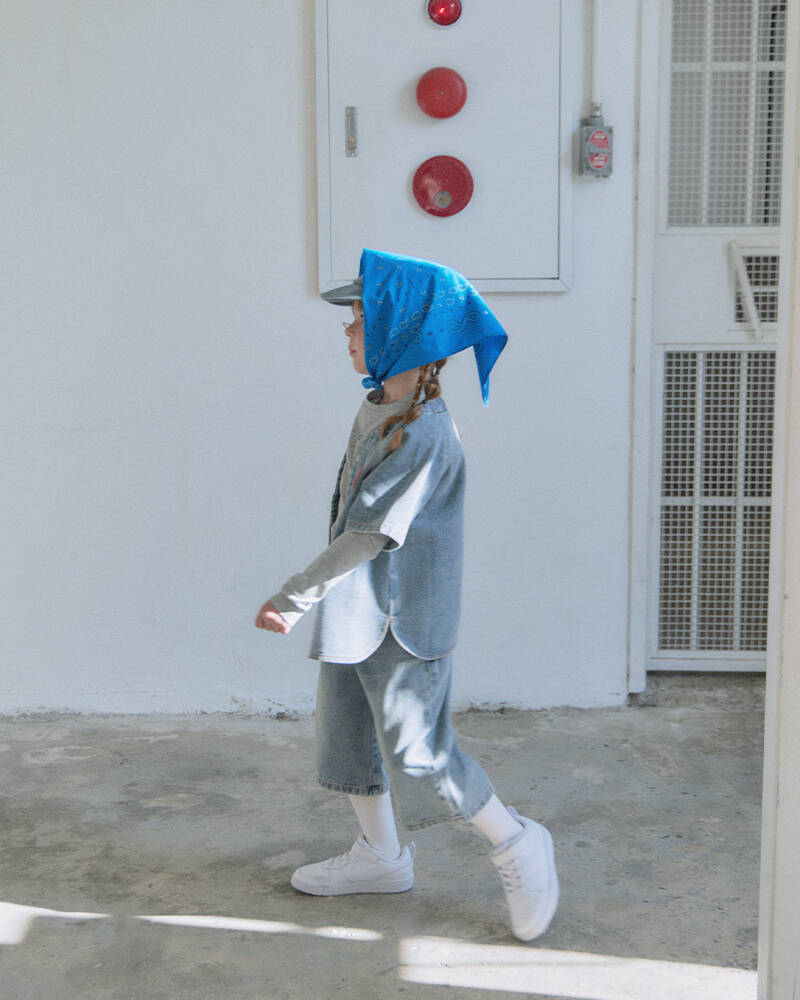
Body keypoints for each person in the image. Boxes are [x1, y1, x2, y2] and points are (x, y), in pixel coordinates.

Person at [254, 249, 558, 942]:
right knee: (348, 737)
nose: (347, 331)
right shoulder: (381, 407)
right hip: (356, 609)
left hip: (402, 616)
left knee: (419, 752)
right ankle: (381, 857)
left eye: (360, 319)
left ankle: (516, 841)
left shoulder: (423, 432)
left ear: (400, 332)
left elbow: (366, 533)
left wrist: (293, 597)